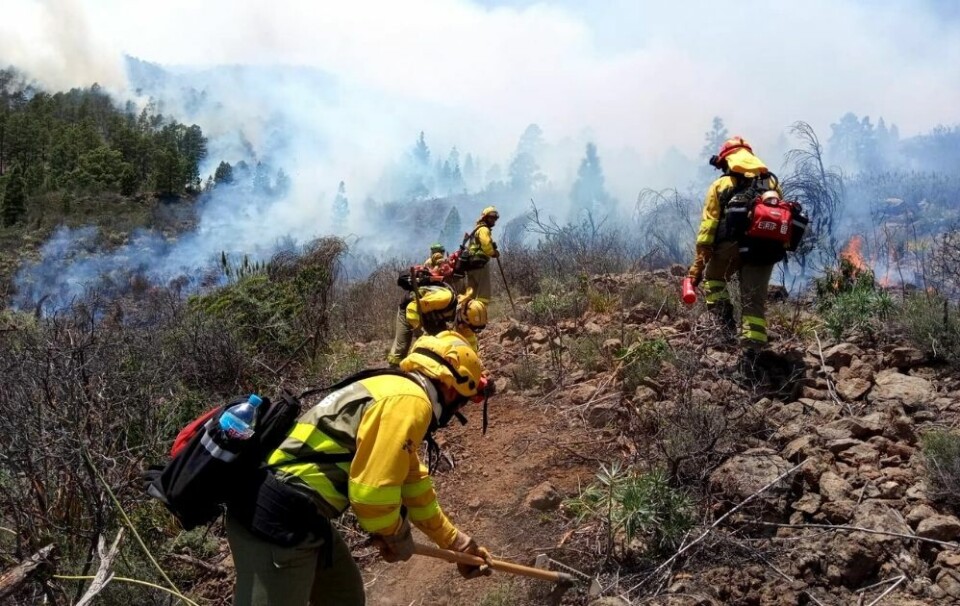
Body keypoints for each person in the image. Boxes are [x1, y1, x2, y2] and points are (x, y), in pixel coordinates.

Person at [225, 332, 493, 606]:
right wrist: (395, 534)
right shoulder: (410, 402)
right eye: (462, 401)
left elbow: (414, 484)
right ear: (451, 389)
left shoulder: (392, 386)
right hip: (277, 519)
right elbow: (371, 496)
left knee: (344, 597)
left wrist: (456, 543)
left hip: (303, 514)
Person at [688, 136, 784, 364]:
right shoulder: (770, 183)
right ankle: (753, 355)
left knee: (714, 279)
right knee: (753, 302)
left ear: (727, 161)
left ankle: (725, 324)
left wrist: (697, 268)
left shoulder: (720, 185)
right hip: (764, 250)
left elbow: (708, 229)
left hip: (730, 248)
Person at [387, 281, 486, 365]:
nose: (463, 327)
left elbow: (470, 341)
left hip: (430, 315)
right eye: (464, 325)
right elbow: (412, 308)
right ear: (462, 311)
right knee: (402, 347)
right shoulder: (445, 299)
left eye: (467, 327)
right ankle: (393, 368)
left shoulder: (466, 319)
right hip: (410, 308)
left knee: (440, 343)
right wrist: (420, 330)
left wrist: (475, 362)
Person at [462, 207, 500, 304]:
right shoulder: (484, 229)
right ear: (485, 218)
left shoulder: (477, 229)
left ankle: (465, 311)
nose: (493, 220)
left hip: (471, 266)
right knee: (484, 293)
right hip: (480, 264)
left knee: (470, 294)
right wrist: (493, 253)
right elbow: (486, 246)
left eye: (495, 218)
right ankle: (481, 311)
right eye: (491, 217)